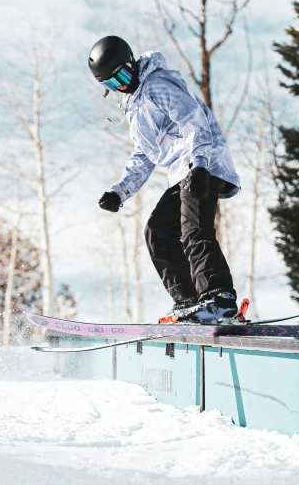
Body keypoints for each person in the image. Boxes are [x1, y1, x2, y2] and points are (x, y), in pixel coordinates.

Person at [88, 35, 241, 323]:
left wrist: (200, 165)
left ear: (130, 64)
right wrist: (119, 192)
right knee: (157, 231)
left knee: (193, 229)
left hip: (203, 163)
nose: (120, 85)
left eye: (120, 75)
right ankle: (188, 300)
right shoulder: (134, 107)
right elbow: (144, 155)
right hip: (184, 171)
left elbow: (192, 119)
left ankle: (219, 297)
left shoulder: (157, 85)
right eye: (110, 84)